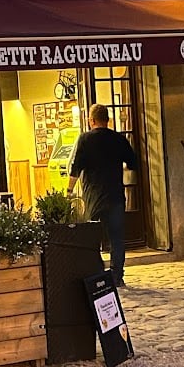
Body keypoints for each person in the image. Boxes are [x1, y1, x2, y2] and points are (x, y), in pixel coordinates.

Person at [66, 104, 137, 288]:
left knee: (92, 238)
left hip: (94, 197)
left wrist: (69, 191)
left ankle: (96, 274)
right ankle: (116, 276)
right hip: (115, 195)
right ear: (108, 120)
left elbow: (76, 168)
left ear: (92, 120)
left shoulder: (85, 139)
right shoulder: (118, 139)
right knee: (116, 238)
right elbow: (133, 163)